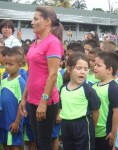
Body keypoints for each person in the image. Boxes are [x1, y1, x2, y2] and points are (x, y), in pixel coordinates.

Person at [19, 6, 64, 150]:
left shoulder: (53, 43)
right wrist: (24, 98)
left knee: (44, 143)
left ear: (47, 22)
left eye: (36, 19)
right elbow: (31, 73)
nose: (32, 22)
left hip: (46, 101)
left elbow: (53, 74)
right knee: (37, 140)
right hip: (32, 100)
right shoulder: (35, 43)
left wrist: (43, 101)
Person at [59, 52, 100, 150]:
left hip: (82, 126)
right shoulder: (63, 88)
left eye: (86, 69)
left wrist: (90, 128)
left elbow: (96, 111)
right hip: (66, 126)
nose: (83, 72)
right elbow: (61, 108)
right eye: (79, 68)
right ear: (69, 69)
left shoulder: (88, 90)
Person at [92, 51, 118, 150]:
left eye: (99, 65)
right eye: (95, 65)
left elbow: (116, 112)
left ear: (109, 70)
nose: (95, 67)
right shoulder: (93, 86)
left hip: (105, 133)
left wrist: (113, 132)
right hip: (93, 131)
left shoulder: (113, 88)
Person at [0, 47, 26, 150]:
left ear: (19, 65)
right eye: (6, 63)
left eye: (10, 64)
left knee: (15, 145)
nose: (7, 67)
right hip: (4, 120)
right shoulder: (4, 80)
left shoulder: (20, 82)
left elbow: (22, 104)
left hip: (13, 121)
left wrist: (17, 122)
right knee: (6, 145)